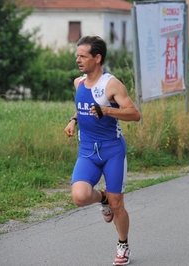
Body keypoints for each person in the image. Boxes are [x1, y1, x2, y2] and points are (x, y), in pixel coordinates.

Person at [64, 36, 141, 265]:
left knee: (119, 205)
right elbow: (84, 107)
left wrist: (108, 111)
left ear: (97, 58)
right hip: (87, 149)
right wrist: (73, 120)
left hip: (112, 150)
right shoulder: (79, 83)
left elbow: (135, 114)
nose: (78, 59)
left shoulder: (111, 85)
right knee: (80, 197)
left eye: (83, 56)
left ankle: (123, 243)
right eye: (77, 55)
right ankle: (103, 199)